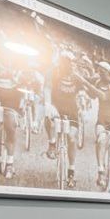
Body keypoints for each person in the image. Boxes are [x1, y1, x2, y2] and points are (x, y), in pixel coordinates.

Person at [45, 47, 83, 188]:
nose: (71, 65)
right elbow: (47, 88)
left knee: (71, 138)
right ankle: (52, 143)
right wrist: (48, 104)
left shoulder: (76, 76)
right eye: (68, 62)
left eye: (72, 63)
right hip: (56, 107)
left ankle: (71, 172)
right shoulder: (53, 72)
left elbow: (83, 90)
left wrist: (83, 97)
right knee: (48, 117)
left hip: (72, 111)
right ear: (62, 62)